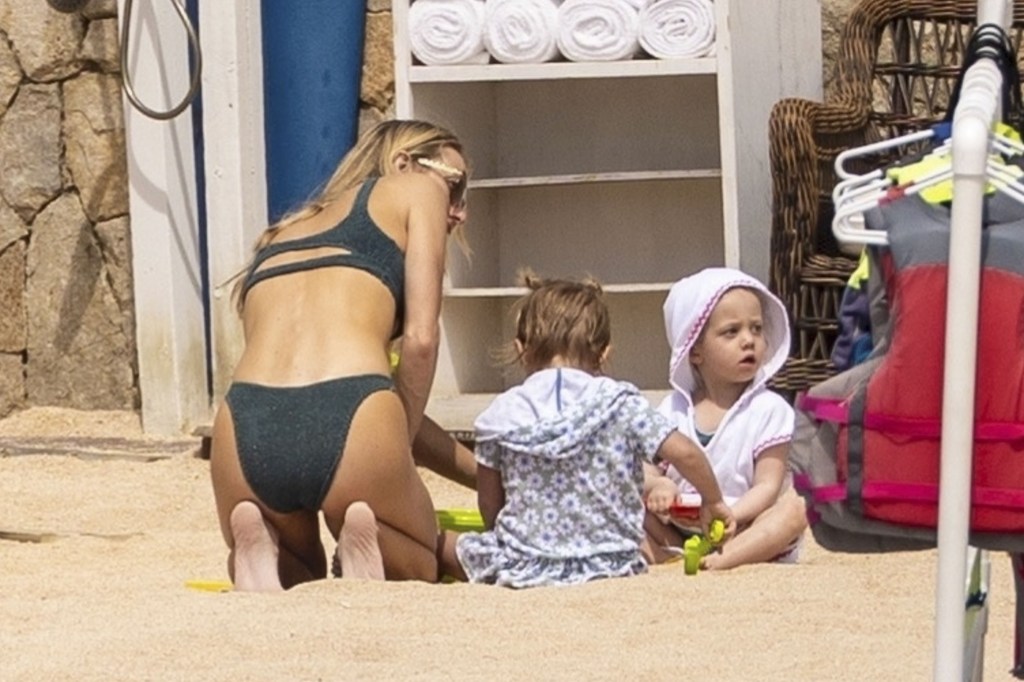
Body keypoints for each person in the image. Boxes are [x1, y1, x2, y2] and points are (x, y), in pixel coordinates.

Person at [209, 119, 471, 591]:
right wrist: (397, 449)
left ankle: (261, 544)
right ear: (403, 163)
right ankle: (363, 543)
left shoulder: (281, 233)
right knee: (420, 556)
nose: (460, 210)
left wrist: (480, 474)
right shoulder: (416, 189)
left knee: (302, 571)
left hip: (245, 421)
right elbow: (420, 341)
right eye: (456, 186)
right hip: (356, 413)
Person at [438, 273, 735, 588]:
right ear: (605, 353)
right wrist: (713, 500)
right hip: (613, 563)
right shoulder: (620, 403)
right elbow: (686, 452)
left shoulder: (498, 416)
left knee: (443, 543)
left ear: (521, 349)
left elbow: (490, 504)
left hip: (525, 564)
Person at [644, 267, 808, 570]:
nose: (749, 341)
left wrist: (734, 515)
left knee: (795, 509)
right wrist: (657, 487)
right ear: (695, 352)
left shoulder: (770, 409)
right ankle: (671, 555)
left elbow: (767, 486)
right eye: (731, 332)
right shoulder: (672, 410)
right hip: (681, 519)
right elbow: (646, 470)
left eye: (757, 329)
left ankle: (725, 558)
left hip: (741, 523)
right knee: (624, 502)